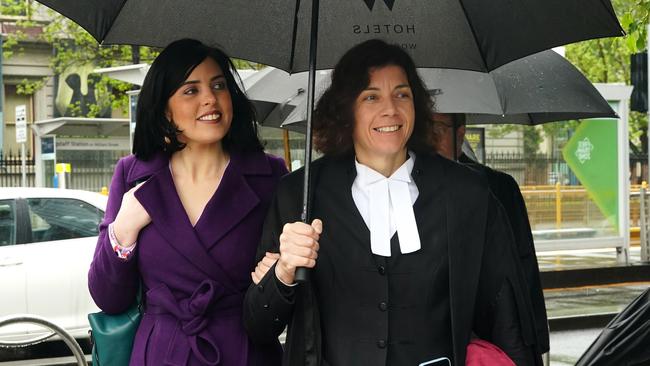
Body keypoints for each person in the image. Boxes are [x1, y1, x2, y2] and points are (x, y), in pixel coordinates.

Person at [244, 39, 538, 366]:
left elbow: (506, 310)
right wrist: (284, 270)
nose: (390, 109)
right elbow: (259, 325)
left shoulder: (467, 193)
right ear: (345, 109)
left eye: (402, 94)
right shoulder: (298, 195)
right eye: (371, 96)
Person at [88, 39, 287, 366]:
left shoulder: (270, 176)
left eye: (219, 85)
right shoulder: (134, 176)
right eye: (190, 90)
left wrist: (281, 275)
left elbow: (286, 300)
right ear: (164, 107)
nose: (211, 98)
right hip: (162, 353)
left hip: (246, 351)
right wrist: (123, 231)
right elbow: (108, 298)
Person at [432, 113, 550, 362]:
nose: (428, 138)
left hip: (491, 332)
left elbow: (523, 263)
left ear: (460, 134)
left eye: (437, 128)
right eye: (421, 128)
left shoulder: (495, 187)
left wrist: (535, 336)